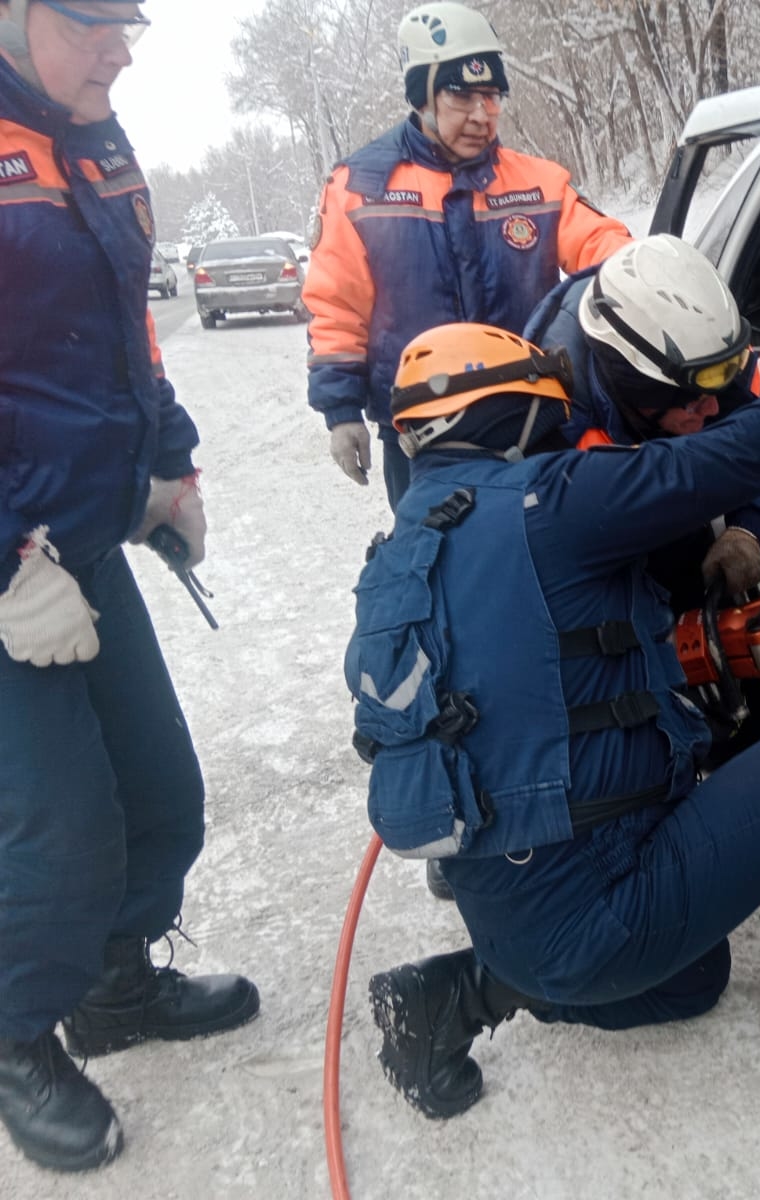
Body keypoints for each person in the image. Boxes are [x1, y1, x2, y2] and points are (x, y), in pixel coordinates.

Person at [348, 265, 760, 1120]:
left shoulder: (403, 553)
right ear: (512, 413)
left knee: (691, 976)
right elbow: (741, 452)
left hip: (508, 904)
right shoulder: (548, 505)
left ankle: (458, 994)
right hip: (590, 904)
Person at [0, 0, 258, 1174]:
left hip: (86, 539)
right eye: (94, 20)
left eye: (133, 22)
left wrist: (167, 466)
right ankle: (15, 1035)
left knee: (159, 788)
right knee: (52, 826)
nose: (120, 48)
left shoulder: (97, 141)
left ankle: (115, 985)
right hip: (15, 557)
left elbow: (127, 335)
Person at [303, 0, 632, 513]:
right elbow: (336, 308)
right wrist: (341, 412)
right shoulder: (360, 187)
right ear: (422, 96)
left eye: (492, 96)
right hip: (420, 432)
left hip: (530, 418)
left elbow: (608, 251)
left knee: (540, 550)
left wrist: (648, 277)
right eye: (461, 95)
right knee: (438, 554)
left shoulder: (539, 183)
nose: (482, 115)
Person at [522, 234, 760, 759]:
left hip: (651, 477)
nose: (712, 410)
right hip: (592, 536)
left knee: (729, 665)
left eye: (716, 394)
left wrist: (747, 528)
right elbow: (555, 561)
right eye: (692, 404)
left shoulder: (708, 344)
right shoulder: (551, 416)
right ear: (637, 392)